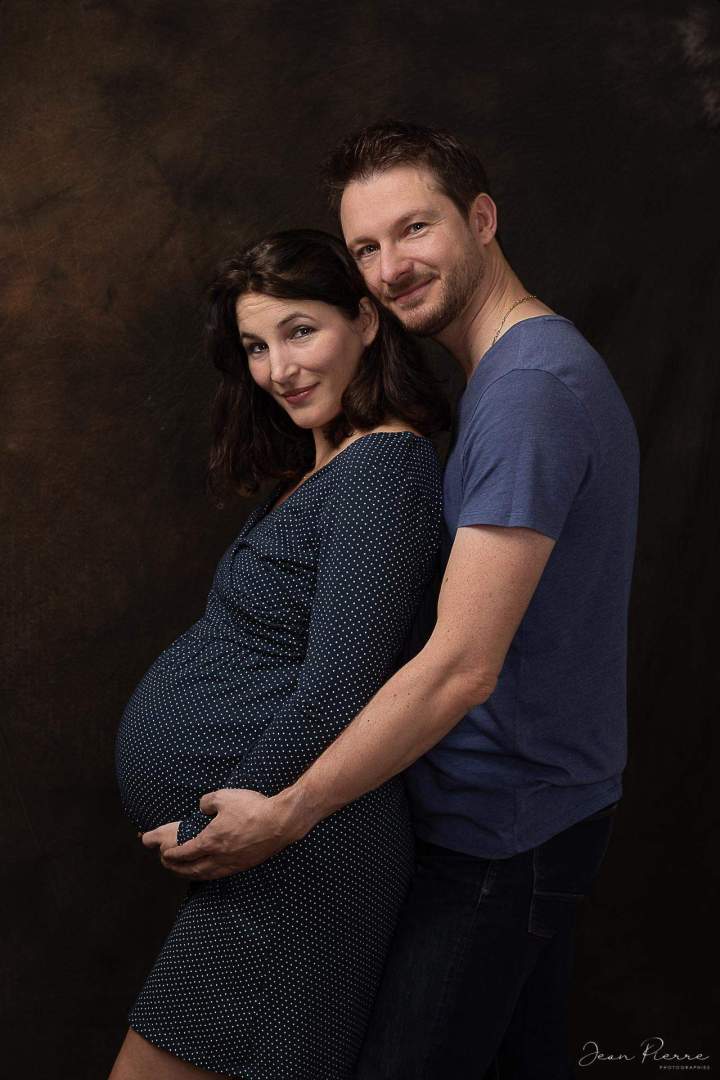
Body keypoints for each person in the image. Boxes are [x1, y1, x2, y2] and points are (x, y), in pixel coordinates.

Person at [153, 122, 640, 1078]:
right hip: (515, 815)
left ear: (482, 219)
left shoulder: (531, 392)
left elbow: (462, 666)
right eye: (366, 248)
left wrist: (289, 812)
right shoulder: (509, 377)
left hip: (502, 831)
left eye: (413, 230)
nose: (388, 268)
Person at [110, 227, 448, 1079]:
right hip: (273, 859)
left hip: (302, 860)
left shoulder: (385, 468)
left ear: (366, 321)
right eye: (258, 346)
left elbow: (341, 686)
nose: (279, 368)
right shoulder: (321, 469)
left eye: (301, 330)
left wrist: (241, 819)